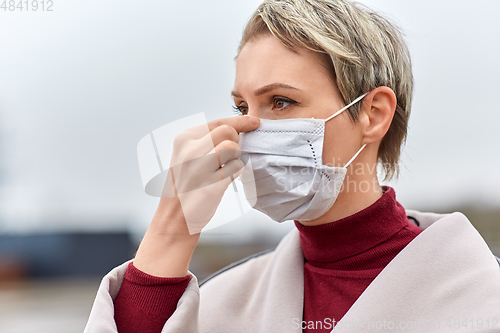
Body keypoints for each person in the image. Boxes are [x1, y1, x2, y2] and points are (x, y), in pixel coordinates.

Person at [85, 0, 500, 332]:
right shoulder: (221, 304)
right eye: (242, 106)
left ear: (373, 114)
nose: (249, 130)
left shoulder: (482, 296)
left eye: (281, 102)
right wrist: (171, 229)